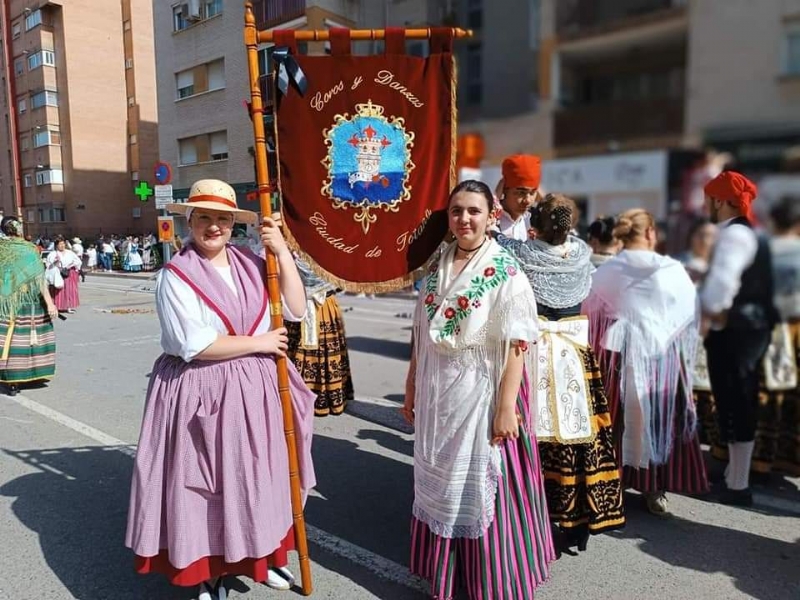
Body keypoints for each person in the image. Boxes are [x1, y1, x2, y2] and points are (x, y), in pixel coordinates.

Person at [125, 180, 316, 600]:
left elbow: (297, 309)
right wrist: (260, 343)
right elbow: (192, 344)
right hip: (202, 389)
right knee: (208, 485)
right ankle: (210, 571)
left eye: (223, 219)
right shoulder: (174, 276)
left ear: (234, 224)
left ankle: (261, 557)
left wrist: (282, 251)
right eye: (205, 218)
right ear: (189, 221)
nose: (214, 227)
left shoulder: (253, 262)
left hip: (257, 388)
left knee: (259, 480)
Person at [404, 180, 554, 600]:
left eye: (473, 211)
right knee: (441, 480)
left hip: (483, 390)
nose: (464, 219)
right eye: (456, 211)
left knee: (478, 482)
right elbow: (423, 333)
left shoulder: (506, 270)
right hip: (439, 391)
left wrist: (506, 408)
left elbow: (518, 344)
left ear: (491, 217)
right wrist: (412, 383)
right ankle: (445, 576)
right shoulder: (439, 267)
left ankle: (490, 580)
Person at [494, 193, 625, 553]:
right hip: (574, 353)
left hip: (531, 352)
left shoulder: (521, 253)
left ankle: (529, 511)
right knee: (579, 435)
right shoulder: (582, 253)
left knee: (533, 431)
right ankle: (579, 515)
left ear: (535, 226)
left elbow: (496, 238)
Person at [585, 209, 708, 516]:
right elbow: (689, 313)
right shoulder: (670, 269)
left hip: (616, 355)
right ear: (652, 233)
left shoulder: (609, 269)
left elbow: (590, 308)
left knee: (615, 419)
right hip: (660, 354)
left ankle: (611, 485)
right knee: (658, 418)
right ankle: (655, 489)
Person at [701, 172, 780, 506]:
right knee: (739, 399)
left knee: (735, 400)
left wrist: (709, 310)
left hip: (735, 329)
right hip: (750, 326)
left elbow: (721, 287)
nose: (706, 204)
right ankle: (736, 478)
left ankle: (738, 484)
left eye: (709, 199)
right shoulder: (751, 233)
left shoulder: (733, 236)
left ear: (720, 201)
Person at [285, 256, 354, 416]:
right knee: (299, 352)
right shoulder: (291, 246)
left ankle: (316, 396)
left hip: (321, 305)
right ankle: (298, 395)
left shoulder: (324, 245)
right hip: (299, 306)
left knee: (320, 352)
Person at [0, 217, 58, 396]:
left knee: (6, 337)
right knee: (26, 338)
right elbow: (39, 279)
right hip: (28, 301)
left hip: (4, 300)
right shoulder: (29, 249)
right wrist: (49, 303)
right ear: (18, 229)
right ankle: (24, 375)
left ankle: (11, 377)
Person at [494, 154, 541, 241]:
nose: (527, 200)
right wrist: (494, 200)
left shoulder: (534, 219)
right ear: (504, 189)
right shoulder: (490, 219)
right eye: (521, 193)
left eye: (532, 193)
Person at [46, 238, 82, 314]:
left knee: (70, 290)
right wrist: (55, 262)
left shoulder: (70, 253)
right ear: (56, 246)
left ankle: (68, 306)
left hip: (69, 273)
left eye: (63, 244)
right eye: (60, 244)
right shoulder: (53, 254)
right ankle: (57, 306)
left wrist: (74, 267)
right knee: (59, 290)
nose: (62, 245)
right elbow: (48, 264)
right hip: (58, 274)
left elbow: (78, 261)